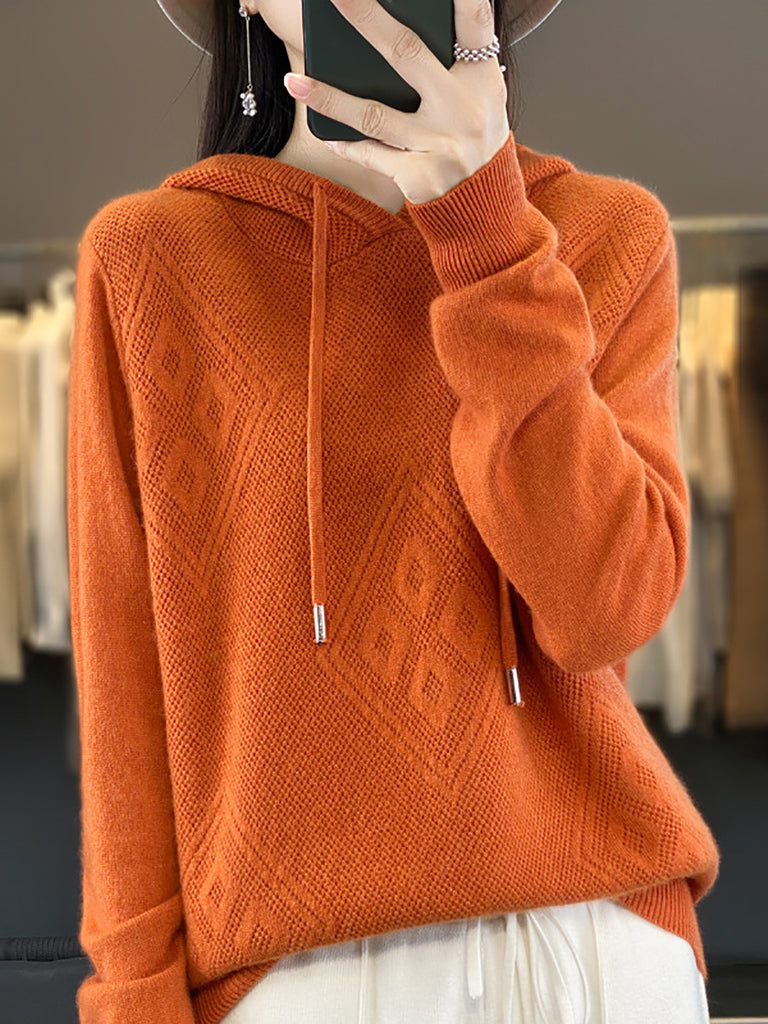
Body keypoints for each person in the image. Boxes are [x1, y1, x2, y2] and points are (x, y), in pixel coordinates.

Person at [67, 0, 720, 1021]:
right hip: (294, 978)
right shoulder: (151, 258)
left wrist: (487, 237)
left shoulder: (600, 234)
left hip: (591, 944)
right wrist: (132, 1001)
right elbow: (125, 679)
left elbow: (606, 612)